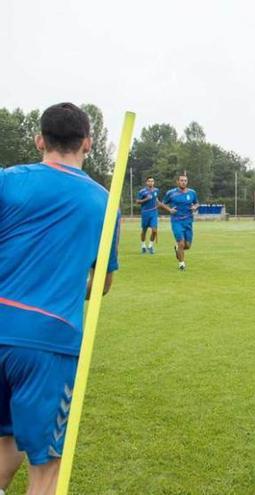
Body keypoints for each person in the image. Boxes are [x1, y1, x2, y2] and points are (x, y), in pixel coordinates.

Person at [0, 102, 119, 495]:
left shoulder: (7, 181)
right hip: (49, 341)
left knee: (5, 441)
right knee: (47, 470)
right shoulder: (104, 201)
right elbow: (101, 284)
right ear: (88, 142)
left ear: (39, 140)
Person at [160, 175, 199, 271]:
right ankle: (181, 264)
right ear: (177, 182)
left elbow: (197, 203)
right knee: (181, 243)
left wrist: (195, 207)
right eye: (181, 180)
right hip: (176, 221)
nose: (183, 182)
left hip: (188, 221)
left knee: (187, 246)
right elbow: (161, 203)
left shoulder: (192, 193)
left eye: (185, 180)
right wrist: (169, 209)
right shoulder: (171, 193)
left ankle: (177, 248)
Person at [136, 176, 160, 254]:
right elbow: (137, 201)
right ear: (146, 182)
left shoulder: (156, 190)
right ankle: (143, 246)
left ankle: (150, 246)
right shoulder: (142, 191)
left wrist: (158, 203)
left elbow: (156, 199)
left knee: (154, 230)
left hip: (154, 212)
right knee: (144, 230)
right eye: (149, 181)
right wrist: (146, 199)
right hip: (145, 213)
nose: (151, 182)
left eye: (152, 181)